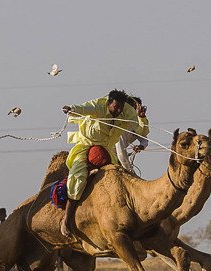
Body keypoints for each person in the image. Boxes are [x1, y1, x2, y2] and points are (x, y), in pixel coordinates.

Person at [61, 90, 149, 238]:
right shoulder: (98, 106)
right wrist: (71, 109)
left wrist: (142, 118)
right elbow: (83, 108)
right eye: (116, 107)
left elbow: (140, 132)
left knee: (117, 177)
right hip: (86, 145)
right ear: (108, 103)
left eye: (121, 107)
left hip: (107, 149)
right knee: (77, 177)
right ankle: (66, 219)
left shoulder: (127, 113)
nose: (118, 110)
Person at [115, 96, 149, 175]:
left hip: (122, 159)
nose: (140, 110)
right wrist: (130, 171)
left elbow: (144, 138)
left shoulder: (137, 124)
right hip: (112, 156)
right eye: (137, 107)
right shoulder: (121, 125)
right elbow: (120, 152)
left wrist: (140, 146)